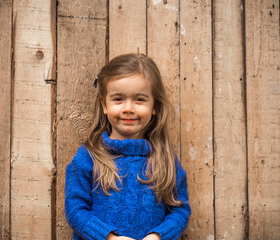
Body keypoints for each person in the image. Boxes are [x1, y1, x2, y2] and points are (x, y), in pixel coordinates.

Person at [65, 53, 191, 240]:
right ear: (104, 104)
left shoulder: (164, 158)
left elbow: (180, 209)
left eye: (139, 99)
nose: (128, 108)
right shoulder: (89, 157)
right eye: (118, 99)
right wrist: (109, 238)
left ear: (154, 105)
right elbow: (75, 210)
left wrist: (158, 236)